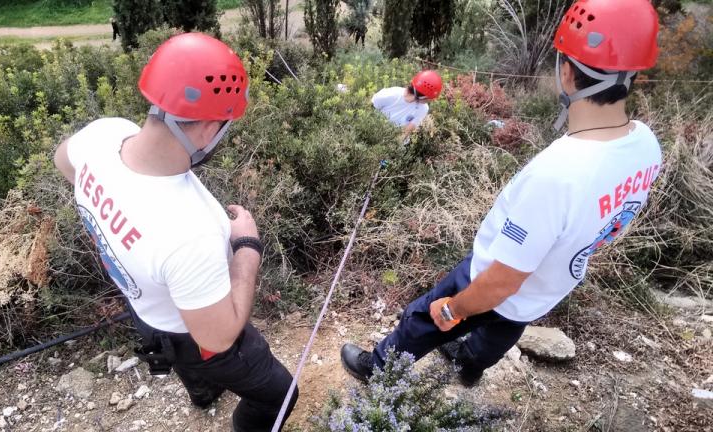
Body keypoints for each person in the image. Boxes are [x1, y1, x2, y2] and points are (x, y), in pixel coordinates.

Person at [341, 0, 662, 387]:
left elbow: (500, 283)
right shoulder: (647, 145)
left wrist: (455, 309)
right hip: (544, 291)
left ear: (566, 72)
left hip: (488, 280)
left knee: (423, 318)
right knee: (502, 329)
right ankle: (469, 366)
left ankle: (378, 368)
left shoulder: (558, 173)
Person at [53, 33, 297, 432]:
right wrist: (247, 247)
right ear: (209, 128)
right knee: (279, 394)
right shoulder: (191, 233)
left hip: (146, 309)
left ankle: (203, 393)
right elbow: (218, 337)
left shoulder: (104, 135)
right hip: (195, 337)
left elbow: (63, 160)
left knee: (187, 359)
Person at [371, 70, 442, 140]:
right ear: (422, 97)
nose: (431, 100)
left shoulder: (423, 108)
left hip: (394, 141)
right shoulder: (390, 94)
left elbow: (406, 131)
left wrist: (393, 143)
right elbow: (369, 109)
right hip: (375, 134)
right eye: (430, 98)